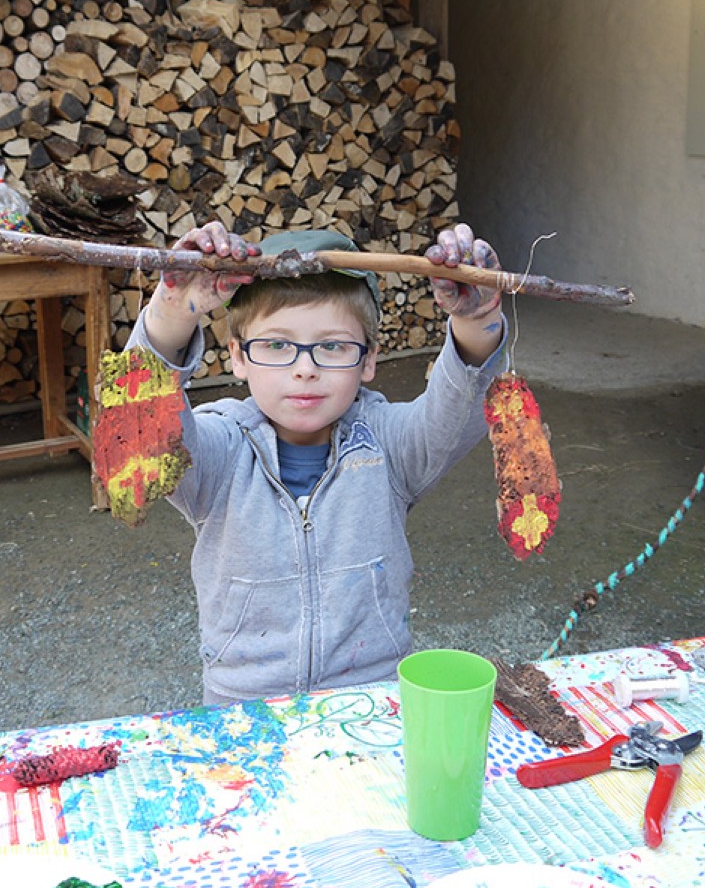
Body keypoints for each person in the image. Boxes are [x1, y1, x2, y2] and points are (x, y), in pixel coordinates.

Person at [125, 221, 508, 706]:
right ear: (238, 357)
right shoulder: (217, 451)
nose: (305, 368)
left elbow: (457, 407)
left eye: (332, 346)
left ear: (367, 360)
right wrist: (172, 310)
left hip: (373, 699)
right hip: (244, 707)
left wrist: (478, 320)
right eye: (278, 345)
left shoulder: (389, 445)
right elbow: (143, 423)